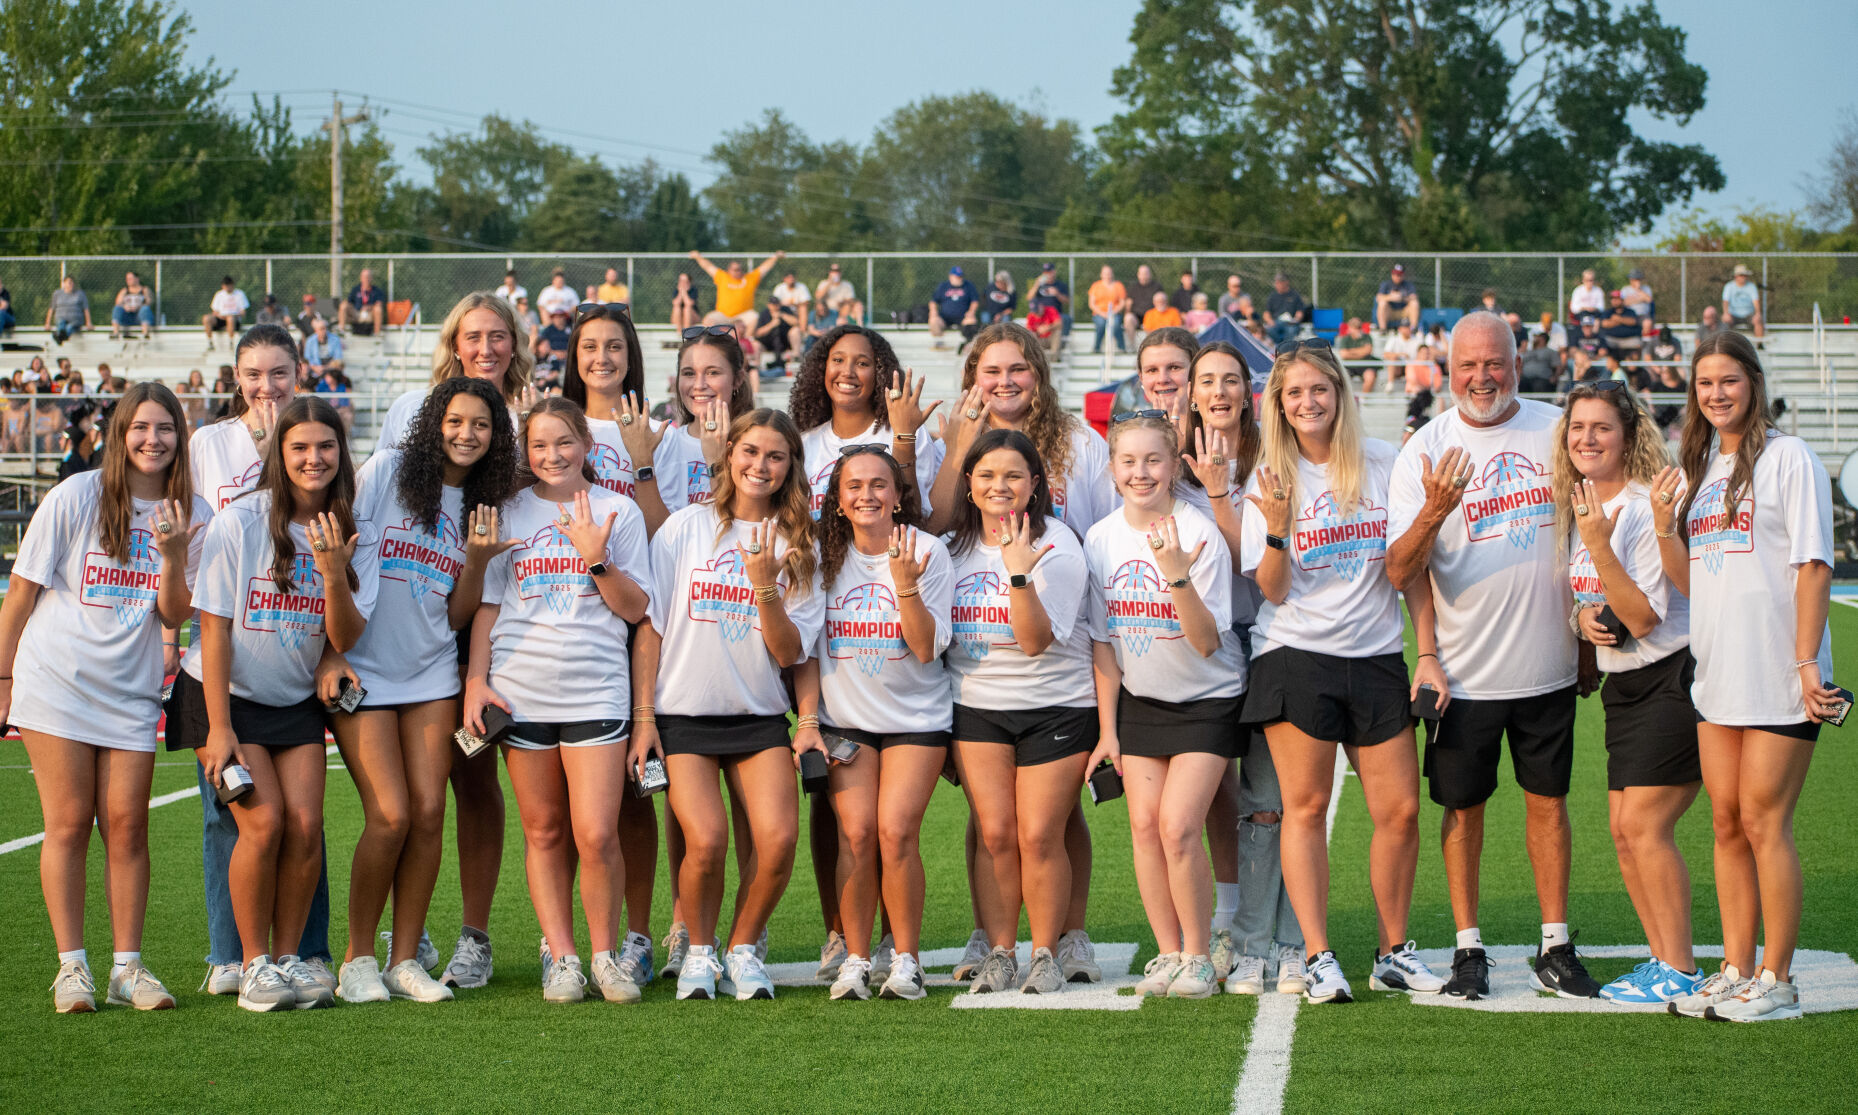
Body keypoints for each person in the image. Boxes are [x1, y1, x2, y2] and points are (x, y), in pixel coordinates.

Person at [1386, 311, 1601, 1002]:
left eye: (1495, 363)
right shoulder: (1425, 448)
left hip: (1549, 663)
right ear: (1447, 369)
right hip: (1464, 671)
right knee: (1463, 808)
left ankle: (1555, 941)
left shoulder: (1555, 428)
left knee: (1550, 803)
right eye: (1468, 365)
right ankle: (1468, 945)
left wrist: (1591, 627)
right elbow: (1399, 569)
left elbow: (1594, 528)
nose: (1483, 377)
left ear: (1518, 360)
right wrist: (1434, 510)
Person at [1237, 342, 1448, 1005]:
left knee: (1402, 810)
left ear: (1340, 392)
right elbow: (1271, 590)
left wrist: (1430, 652)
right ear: (1279, 403)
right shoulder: (1270, 476)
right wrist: (1275, 528)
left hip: (1377, 654)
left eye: (1319, 389)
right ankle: (1318, 953)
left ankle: (1392, 950)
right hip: (1294, 654)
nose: (1309, 402)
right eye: (1295, 393)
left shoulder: (1387, 462)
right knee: (1305, 806)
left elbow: (1407, 568)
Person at [0, 382, 207, 1013]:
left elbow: (176, 613)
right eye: (140, 427)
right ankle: (72, 968)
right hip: (56, 682)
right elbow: (21, 592)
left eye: (166, 428)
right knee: (66, 825)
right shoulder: (76, 495)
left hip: (130, 691)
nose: (153, 439)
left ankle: (128, 968)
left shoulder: (191, 511)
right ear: (120, 434)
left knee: (128, 827)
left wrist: (172, 556)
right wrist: (2, 678)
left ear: (180, 437)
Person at [311, 377, 517, 1005]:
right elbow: (336, 561)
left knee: (429, 813)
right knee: (391, 814)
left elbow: (455, 618)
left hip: (430, 674)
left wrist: (478, 561)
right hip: (363, 668)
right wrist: (330, 651)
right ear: (434, 422)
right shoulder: (387, 472)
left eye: (481, 425)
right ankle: (357, 959)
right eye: (456, 421)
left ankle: (405, 962)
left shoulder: (485, 505)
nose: (466, 434)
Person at [173, 395, 380, 1012]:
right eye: (299, 448)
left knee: (307, 827)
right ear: (279, 455)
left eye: (325, 447)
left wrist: (333, 570)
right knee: (261, 827)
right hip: (225, 698)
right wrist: (218, 728)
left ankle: (291, 957)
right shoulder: (240, 521)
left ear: (341, 454)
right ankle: (253, 962)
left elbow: (344, 638)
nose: (313, 458)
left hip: (293, 700)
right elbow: (210, 628)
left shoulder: (345, 528)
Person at [1662, 332, 1830, 1022]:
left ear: (1753, 383)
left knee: (1765, 821)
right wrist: (1663, 524)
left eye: (1728, 380)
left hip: (1779, 674)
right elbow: (1689, 584)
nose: (1716, 394)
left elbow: (1813, 565)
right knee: (1726, 823)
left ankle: (1778, 976)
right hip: (1719, 674)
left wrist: (1806, 663)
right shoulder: (1699, 469)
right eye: (1705, 383)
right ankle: (1735, 966)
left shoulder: (1789, 457)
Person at [462, 398, 652, 1004]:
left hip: (597, 688)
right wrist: (475, 681)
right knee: (543, 831)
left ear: (587, 447)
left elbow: (637, 609)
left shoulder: (618, 511)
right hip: (521, 694)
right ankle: (562, 958)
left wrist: (595, 554)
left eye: (564, 442)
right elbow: (488, 608)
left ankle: (606, 956)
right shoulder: (506, 512)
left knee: (595, 834)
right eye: (539, 445)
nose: (551, 455)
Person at [630, 409, 823, 1002]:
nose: (759, 466)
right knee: (707, 842)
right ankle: (698, 951)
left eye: (775, 456)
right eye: (750, 452)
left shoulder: (800, 543)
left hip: (759, 718)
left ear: (791, 467)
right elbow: (652, 629)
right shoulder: (684, 528)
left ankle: (741, 949)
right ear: (729, 453)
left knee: (777, 842)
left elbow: (791, 652)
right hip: (683, 717)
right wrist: (644, 722)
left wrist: (765, 584)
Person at [1547, 381, 1702, 1004]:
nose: (1587, 438)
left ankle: (1682, 967)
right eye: (1577, 427)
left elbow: (1642, 619)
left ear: (1629, 435)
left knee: (1645, 826)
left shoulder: (1640, 505)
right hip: (1624, 685)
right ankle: (1662, 959)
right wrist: (1579, 622)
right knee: (1622, 828)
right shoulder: (1580, 505)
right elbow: (1596, 604)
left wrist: (1599, 543)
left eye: (1602, 427)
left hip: (1672, 675)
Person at [1085, 413, 1246, 999]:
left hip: (1207, 698)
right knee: (1144, 827)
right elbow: (1104, 642)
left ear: (1176, 465)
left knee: (1179, 828)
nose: (1141, 472)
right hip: (1140, 703)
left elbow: (1206, 642)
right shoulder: (1101, 537)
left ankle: (1200, 954)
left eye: (1153, 460)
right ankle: (1169, 951)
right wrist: (1108, 732)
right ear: (1112, 469)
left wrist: (1177, 576)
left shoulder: (1198, 531)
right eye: (1128, 461)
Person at [792, 448, 952, 1000]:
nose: (867, 495)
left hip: (916, 718)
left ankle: (905, 959)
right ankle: (856, 958)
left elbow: (926, 648)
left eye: (880, 484)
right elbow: (806, 649)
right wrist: (808, 720)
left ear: (899, 495)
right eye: (854, 485)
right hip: (846, 722)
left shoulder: (926, 550)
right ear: (836, 500)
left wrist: (904, 585)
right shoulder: (820, 556)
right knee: (855, 835)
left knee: (896, 832)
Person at [943, 429, 1095, 994]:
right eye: (986, 475)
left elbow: (1034, 640)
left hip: (1055, 706)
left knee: (1037, 835)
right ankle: (1001, 950)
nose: (999, 486)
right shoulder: (952, 547)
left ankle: (1045, 953)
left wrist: (1017, 571)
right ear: (969, 484)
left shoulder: (1058, 543)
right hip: (978, 706)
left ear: (1035, 484)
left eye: (1013, 475)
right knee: (995, 832)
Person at [1174, 341, 1304, 994]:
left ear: (1248, 393)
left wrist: (1223, 494)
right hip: (1200, 653)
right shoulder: (1172, 466)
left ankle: (1284, 936)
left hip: (1269, 636)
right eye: (1207, 381)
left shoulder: (1271, 460)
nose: (1219, 391)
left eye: (1230, 380)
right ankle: (1249, 932)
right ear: (1191, 393)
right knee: (1239, 805)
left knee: (1275, 798)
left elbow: (1246, 561)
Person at [378, 293, 538, 450]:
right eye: (473, 337)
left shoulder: (533, 415)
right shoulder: (410, 409)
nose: (486, 350)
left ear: (514, 344)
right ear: (455, 346)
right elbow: (382, 472)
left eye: (497, 337)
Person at [690, 249, 785, 334]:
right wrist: (698, 257)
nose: (738, 272)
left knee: (754, 317)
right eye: (735, 270)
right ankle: (716, 344)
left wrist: (775, 257)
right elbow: (708, 267)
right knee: (708, 320)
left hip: (743, 315)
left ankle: (747, 343)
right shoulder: (722, 277)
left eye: (739, 269)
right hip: (723, 314)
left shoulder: (749, 279)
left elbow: (764, 268)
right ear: (729, 270)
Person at [930, 266, 980, 351]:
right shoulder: (943, 286)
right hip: (945, 317)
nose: (959, 279)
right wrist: (933, 311)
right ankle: (939, 343)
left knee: (972, 321)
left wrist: (971, 312)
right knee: (933, 320)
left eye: (961, 276)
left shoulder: (968, 285)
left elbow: (975, 301)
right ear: (951, 276)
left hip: (963, 317)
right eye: (957, 276)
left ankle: (967, 344)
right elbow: (933, 301)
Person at [1373, 321, 1419, 395]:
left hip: (1413, 368)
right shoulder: (1394, 339)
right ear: (1400, 329)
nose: (1408, 329)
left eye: (1408, 327)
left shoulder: (1417, 340)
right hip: (1399, 368)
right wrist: (1399, 355)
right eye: (1405, 327)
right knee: (1392, 358)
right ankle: (1390, 383)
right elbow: (1386, 354)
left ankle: (1415, 388)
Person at [1721, 263, 1765, 342]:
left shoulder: (1751, 286)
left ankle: (1760, 344)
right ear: (1736, 276)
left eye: (1745, 275)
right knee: (1725, 322)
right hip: (1734, 315)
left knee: (1758, 320)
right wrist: (1725, 313)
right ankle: (1726, 344)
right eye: (1741, 275)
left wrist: (1758, 313)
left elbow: (1756, 302)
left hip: (1748, 314)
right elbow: (1725, 302)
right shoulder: (1729, 286)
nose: (1744, 277)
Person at [1264, 273, 1310, 345]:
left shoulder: (1295, 295)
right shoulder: (1272, 296)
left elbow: (1300, 312)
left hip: (1290, 323)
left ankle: (1286, 348)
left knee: (1291, 330)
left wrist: (1295, 320)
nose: (1278, 284)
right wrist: (1270, 321)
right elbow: (1266, 313)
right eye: (1277, 282)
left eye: (1280, 282)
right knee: (1269, 329)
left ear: (1286, 282)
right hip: (1277, 322)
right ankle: (1279, 346)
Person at [202, 276, 248, 346]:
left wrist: (231, 315)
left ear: (232, 285)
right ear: (222, 286)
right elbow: (214, 311)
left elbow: (243, 312)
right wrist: (220, 316)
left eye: (229, 285)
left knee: (230, 318)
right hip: (221, 319)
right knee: (206, 318)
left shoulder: (239, 294)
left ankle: (231, 342)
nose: (227, 287)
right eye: (225, 285)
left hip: (234, 320)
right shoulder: (219, 294)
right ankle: (210, 341)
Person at [1028, 263, 1072, 339]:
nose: (1047, 274)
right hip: (1041, 313)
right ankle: (1035, 341)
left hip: (1055, 314)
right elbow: (1029, 297)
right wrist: (1036, 284)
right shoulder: (1039, 285)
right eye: (1045, 272)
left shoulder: (1060, 285)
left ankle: (1063, 341)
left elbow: (1067, 301)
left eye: (1049, 272)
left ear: (1054, 272)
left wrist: (1057, 294)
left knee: (1066, 318)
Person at [341, 268, 388, 336]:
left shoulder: (376, 291)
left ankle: (377, 334)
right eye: (364, 277)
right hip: (356, 314)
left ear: (371, 278)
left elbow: (379, 303)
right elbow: (349, 301)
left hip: (370, 314)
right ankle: (341, 331)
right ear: (361, 278)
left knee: (378, 309)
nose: (366, 279)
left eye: (368, 277)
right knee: (343, 305)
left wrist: (370, 307)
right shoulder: (355, 289)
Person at [1122, 264, 1163, 341]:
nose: (1144, 275)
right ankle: (1132, 347)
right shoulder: (1133, 287)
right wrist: (1126, 314)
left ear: (1150, 274)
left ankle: (1153, 345)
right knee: (1128, 318)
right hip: (1137, 316)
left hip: (1152, 315)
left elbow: (1161, 301)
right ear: (1138, 275)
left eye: (1146, 273)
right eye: (1142, 273)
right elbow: (1128, 303)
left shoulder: (1157, 286)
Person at [1374, 264, 1419, 332]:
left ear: (1403, 275)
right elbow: (1378, 297)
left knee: (1414, 303)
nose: (1397, 277)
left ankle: (1413, 329)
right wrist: (1391, 297)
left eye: (1399, 275)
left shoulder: (1408, 285)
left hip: (1404, 311)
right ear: (1392, 274)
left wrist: (1402, 298)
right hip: (1390, 312)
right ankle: (1383, 329)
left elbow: (1414, 297)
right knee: (1382, 303)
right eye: (1395, 274)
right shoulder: (1386, 284)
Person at [47, 274, 92, 342]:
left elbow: (86, 309)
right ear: (64, 283)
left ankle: (60, 337)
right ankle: (62, 335)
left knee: (70, 327)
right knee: (61, 324)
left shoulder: (80, 294)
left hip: (75, 320)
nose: (71, 284)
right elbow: (51, 309)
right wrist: (47, 323)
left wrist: (89, 323)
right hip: (61, 318)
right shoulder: (57, 294)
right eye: (69, 282)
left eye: (73, 282)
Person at [112, 271, 155, 340]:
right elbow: (118, 303)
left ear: (137, 279)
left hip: (139, 317)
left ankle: (145, 334)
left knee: (145, 309)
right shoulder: (124, 290)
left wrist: (139, 307)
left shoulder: (144, 290)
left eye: (130, 278)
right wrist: (125, 307)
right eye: (127, 279)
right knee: (117, 308)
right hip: (128, 317)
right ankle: (116, 333)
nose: (128, 281)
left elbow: (149, 302)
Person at [1600, 292, 1644, 356]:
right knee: (1603, 347)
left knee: (1638, 344)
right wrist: (1624, 321)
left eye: (1617, 299)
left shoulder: (1630, 311)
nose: (1615, 301)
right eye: (1613, 299)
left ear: (1622, 300)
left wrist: (1617, 319)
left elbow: (1633, 322)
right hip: (1612, 339)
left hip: (1629, 339)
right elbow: (1605, 324)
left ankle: (1636, 365)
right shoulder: (1608, 312)